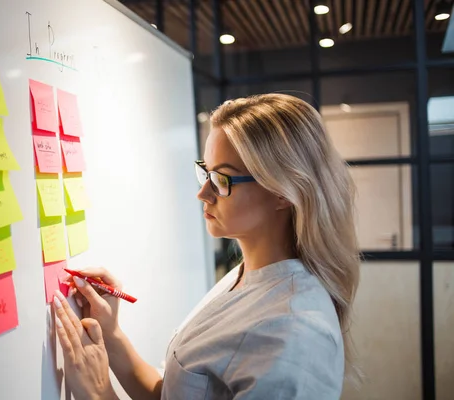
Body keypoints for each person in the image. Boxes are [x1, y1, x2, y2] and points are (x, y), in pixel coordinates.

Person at [50, 93, 360, 399]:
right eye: (205, 171)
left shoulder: (295, 333)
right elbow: (175, 393)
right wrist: (111, 334)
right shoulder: (248, 276)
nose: (203, 193)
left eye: (222, 178)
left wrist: (99, 394)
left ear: (282, 190)